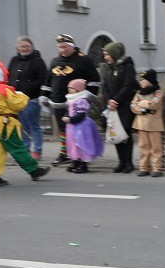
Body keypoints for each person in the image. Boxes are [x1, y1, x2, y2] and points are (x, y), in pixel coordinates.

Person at [0, 60, 50, 187]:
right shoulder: (4, 89)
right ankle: (34, 170)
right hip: (6, 123)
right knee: (18, 148)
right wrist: (22, 96)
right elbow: (18, 105)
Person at [43, 34, 101, 167]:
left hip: (76, 103)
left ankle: (81, 157)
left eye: (65, 47)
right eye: (60, 47)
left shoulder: (83, 59)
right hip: (58, 101)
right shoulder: (55, 60)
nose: (62, 49)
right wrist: (44, 95)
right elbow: (48, 80)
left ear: (72, 46)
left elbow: (94, 79)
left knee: (78, 131)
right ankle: (66, 154)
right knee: (64, 131)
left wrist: (89, 97)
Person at [7, 36, 48, 161]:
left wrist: (27, 89)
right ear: (17, 48)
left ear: (32, 47)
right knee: (20, 126)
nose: (24, 49)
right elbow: (9, 76)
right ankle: (25, 149)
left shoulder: (38, 61)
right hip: (16, 98)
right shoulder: (14, 60)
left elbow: (42, 79)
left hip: (31, 98)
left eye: (27, 47)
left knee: (33, 125)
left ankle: (37, 150)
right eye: (22, 47)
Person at [102, 42, 138, 174]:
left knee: (126, 135)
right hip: (112, 106)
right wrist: (108, 101)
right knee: (115, 133)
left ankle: (129, 162)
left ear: (115, 54)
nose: (105, 57)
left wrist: (116, 100)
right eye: (105, 54)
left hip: (124, 106)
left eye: (107, 54)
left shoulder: (127, 67)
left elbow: (128, 86)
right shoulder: (108, 68)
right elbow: (104, 86)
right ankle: (121, 162)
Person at [62, 78, 103, 173]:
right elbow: (68, 111)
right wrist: (66, 116)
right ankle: (75, 161)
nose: (69, 89)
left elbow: (81, 114)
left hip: (80, 125)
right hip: (72, 126)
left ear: (78, 89)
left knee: (81, 144)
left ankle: (83, 164)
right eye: (69, 88)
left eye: (72, 88)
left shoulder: (81, 100)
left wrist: (70, 119)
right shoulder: (70, 99)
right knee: (72, 144)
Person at [131, 69, 165, 177]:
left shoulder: (158, 92)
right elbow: (132, 105)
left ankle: (157, 168)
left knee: (156, 147)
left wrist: (141, 103)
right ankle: (144, 168)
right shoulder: (139, 92)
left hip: (154, 125)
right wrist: (141, 110)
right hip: (141, 124)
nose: (141, 82)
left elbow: (154, 104)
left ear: (150, 81)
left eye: (143, 80)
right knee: (143, 146)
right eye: (140, 80)